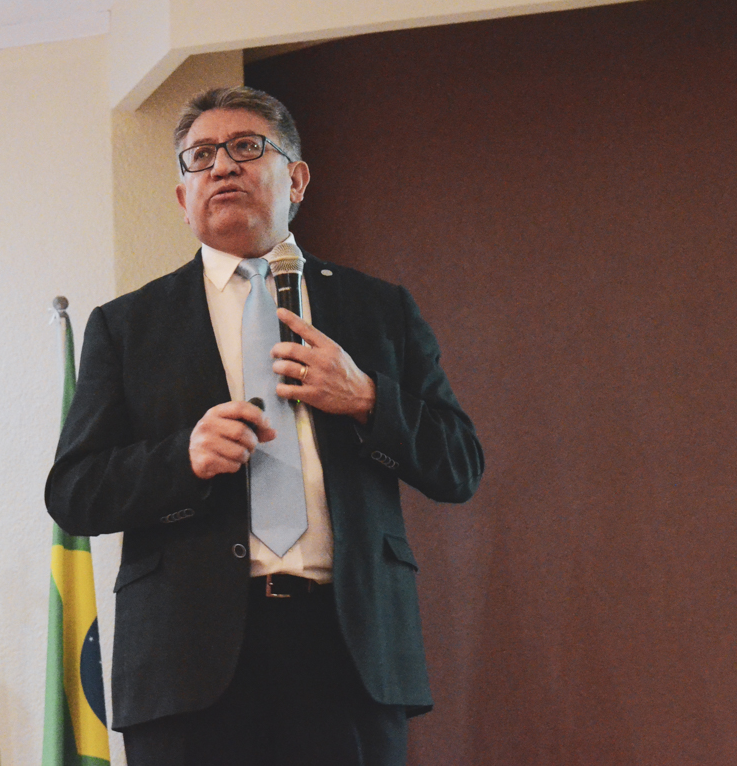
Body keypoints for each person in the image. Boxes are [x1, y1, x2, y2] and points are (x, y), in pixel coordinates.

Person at [45, 86, 484, 766]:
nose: (222, 166)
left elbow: (459, 465)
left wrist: (368, 399)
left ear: (297, 179)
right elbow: (74, 492)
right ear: (183, 197)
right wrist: (182, 458)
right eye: (200, 156)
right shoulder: (127, 326)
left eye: (245, 147)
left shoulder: (378, 309)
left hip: (348, 653)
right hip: (186, 663)